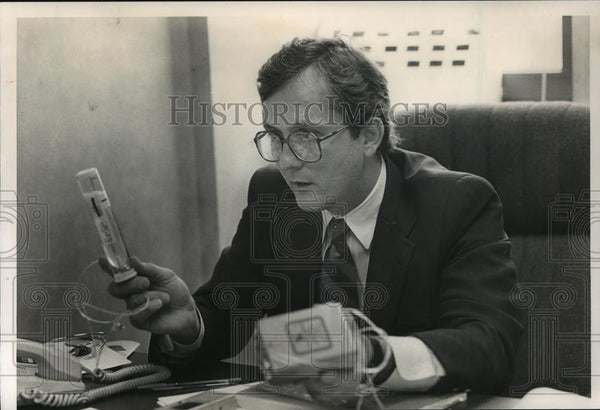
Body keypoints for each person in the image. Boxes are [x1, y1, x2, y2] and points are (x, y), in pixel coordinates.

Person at [106, 37, 522, 394]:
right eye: (276, 138)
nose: (287, 162)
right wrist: (189, 325)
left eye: (306, 137)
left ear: (369, 135)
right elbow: (229, 312)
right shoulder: (273, 195)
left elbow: (490, 345)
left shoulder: (458, 202)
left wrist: (372, 353)